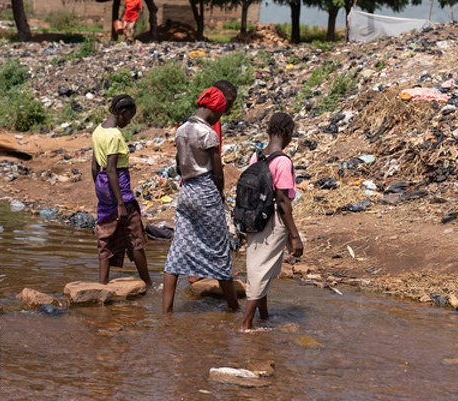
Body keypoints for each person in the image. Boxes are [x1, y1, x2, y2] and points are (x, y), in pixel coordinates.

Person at [163, 86, 239, 314]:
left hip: (186, 192)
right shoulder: (208, 134)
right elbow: (217, 172)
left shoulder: (181, 130)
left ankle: (166, 311)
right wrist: (220, 194)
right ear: (215, 110)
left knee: (178, 246)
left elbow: (179, 165)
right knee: (218, 248)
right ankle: (234, 308)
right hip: (206, 190)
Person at [242, 112, 304, 332]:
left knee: (261, 266)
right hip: (274, 221)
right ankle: (246, 324)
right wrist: (294, 236)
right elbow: (283, 200)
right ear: (288, 133)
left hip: (255, 219)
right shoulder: (283, 162)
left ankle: (263, 316)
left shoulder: (256, 157)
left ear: (269, 131)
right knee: (262, 270)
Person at [91, 94, 152, 286]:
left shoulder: (98, 131)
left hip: (103, 186)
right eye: (130, 118)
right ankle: (148, 284)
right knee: (134, 236)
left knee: (105, 233)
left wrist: (100, 190)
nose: (129, 122)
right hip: (118, 188)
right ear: (122, 113)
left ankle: (102, 284)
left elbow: (94, 165)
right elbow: (111, 169)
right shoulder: (115, 135)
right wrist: (120, 204)